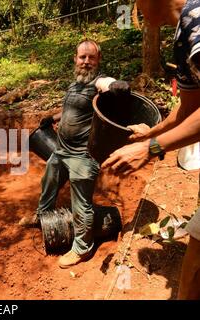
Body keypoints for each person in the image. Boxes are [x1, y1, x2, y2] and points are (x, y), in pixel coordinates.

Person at [102, 0, 200, 300]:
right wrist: (152, 132)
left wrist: (152, 148)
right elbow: (190, 108)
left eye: (136, 2)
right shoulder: (183, 34)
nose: (134, 10)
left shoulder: (197, 24)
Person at [19, 39, 131, 268]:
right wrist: (53, 118)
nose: (86, 61)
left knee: (81, 205)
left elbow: (106, 83)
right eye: (82, 57)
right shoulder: (75, 85)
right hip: (61, 150)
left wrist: (116, 85)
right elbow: (69, 109)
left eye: (91, 57)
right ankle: (43, 216)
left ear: (98, 60)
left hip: (83, 155)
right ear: (75, 59)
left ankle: (83, 247)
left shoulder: (97, 84)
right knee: (48, 182)